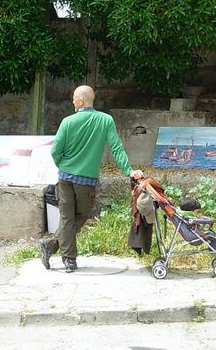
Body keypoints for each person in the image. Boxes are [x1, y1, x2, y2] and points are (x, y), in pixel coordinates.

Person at [40, 85, 143, 272]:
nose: (72, 101)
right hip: (86, 181)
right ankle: (65, 257)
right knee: (82, 215)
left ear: (80, 101)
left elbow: (55, 151)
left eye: (73, 98)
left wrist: (64, 165)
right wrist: (129, 170)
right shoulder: (105, 120)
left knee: (66, 217)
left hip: (64, 177)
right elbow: (116, 148)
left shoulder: (67, 122)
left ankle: (56, 249)